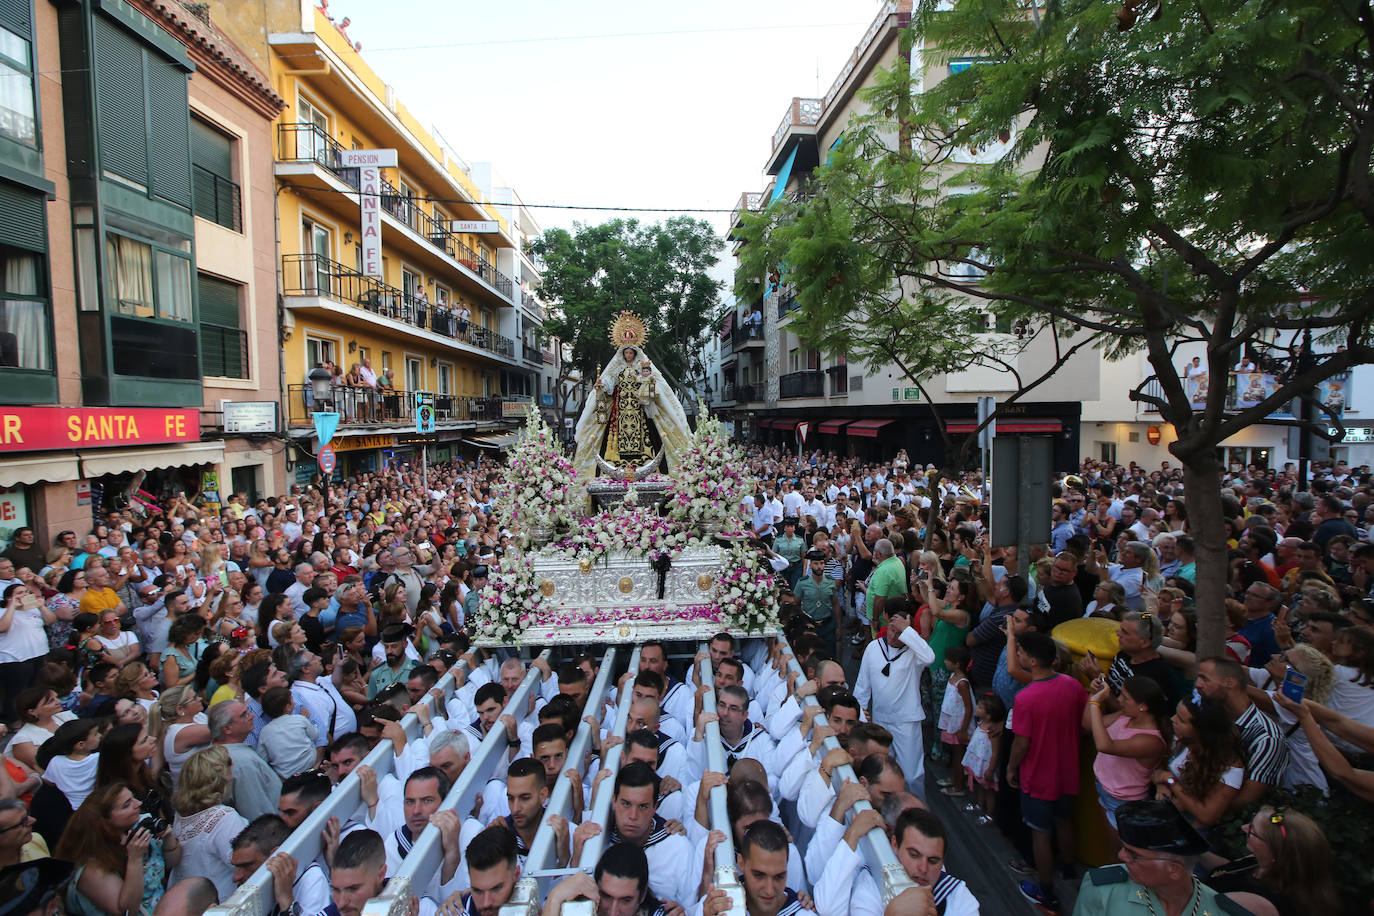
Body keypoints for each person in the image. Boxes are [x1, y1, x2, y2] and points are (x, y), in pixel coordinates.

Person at [1008, 630, 1087, 911]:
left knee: (1040, 834)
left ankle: (1046, 889)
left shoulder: (1026, 698)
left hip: (1038, 776)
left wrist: (1011, 767)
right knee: (1064, 821)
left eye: (1019, 653)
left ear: (1032, 660)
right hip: (1068, 772)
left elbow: (1021, 743)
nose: (1016, 656)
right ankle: (1067, 868)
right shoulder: (1073, 686)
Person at [1072, 800, 1241, 916]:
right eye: (1124, 848)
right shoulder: (1103, 891)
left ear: (1174, 870)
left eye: (1134, 854)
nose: (1121, 856)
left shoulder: (1219, 910)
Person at [813, 807, 978, 916]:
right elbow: (828, 909)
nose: (923, 868)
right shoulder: (872, 884)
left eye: (933, 860)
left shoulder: (957, 895)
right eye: (914, 855)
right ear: (895, 845)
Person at [54, 783, 183, 915]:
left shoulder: (137, 828)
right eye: (127, 805)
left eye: (133, 798)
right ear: (105, 821)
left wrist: (168, 838)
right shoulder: (91, 868)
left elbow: (172, 862)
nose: (138, 803)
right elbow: (128, 910)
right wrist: (135, 859)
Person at [854, 598, 936, 795]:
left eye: (899, 633)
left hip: (906, 721)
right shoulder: (873, 648)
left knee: (911, 775)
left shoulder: (914, 653)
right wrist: (860, 717)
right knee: (880, 773)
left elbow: (930, 657)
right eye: (892, 630)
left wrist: (907, 631)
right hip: (880, 720)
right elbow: (862, 687)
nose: (893, 636)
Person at [1205, 806, 1339, 916]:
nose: (1244, 827)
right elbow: (1227, 870)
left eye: (1253, 830)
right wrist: (1196, 851)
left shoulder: (1261, 902)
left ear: (1273, 850)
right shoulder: (1262, 863)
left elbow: (1198, 905)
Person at [1084, 675, 1170, 843]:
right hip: (1106, 790)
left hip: (1122, 801)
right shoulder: (1125, 716)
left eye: (1125, 697)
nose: (1118, 700)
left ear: (1143, 707)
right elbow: (1090, 725)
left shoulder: (1150, 741)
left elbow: (1105, 746)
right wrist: (1093, 694)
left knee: (1119, 851)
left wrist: (1095, 703)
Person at [168, 746, 247, 901]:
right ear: (218, 780)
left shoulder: (181, 814)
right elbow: (244, 863)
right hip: (217, 902)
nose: (231, 776)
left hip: (189, 901)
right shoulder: (224, 817)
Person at [700, 820, 816, 916]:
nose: (769, 890)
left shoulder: (803, 913)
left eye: (779, 877)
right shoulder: (717, 903)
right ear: (741, 863)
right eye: (759, 875)